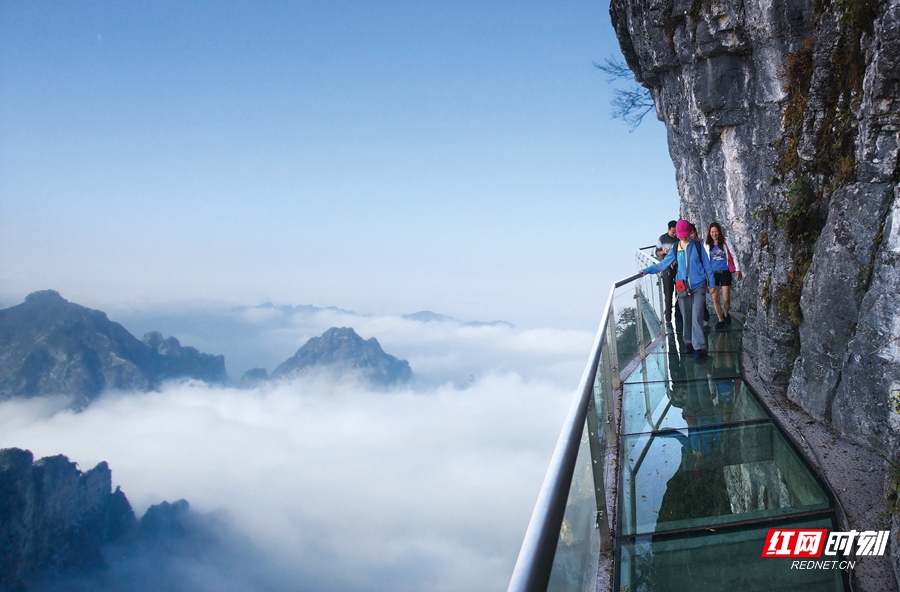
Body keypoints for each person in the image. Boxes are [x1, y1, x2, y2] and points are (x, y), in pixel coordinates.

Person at [641, 220, 717, 358]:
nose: (683, 238)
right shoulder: (676, 248)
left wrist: (712, 284)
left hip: (698, 286)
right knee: (686, 316)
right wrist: (646, 271)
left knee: (697, 316)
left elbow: (707, 267)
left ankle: (699, 347)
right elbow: (663, 264)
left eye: (685, 235)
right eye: (680, 236)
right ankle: (688, 342)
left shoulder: (698, 247)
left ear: (689, 232)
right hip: (683, 288)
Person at [704, 222, 742, 329]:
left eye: (716, 231)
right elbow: (704, 260)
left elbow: (733, 254)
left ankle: (726, 313)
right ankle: (720, 320)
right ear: (709, 233)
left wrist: (737, 269)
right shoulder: (707, 244)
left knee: (726, 299)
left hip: (725, 273)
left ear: (719, 232)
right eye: (712, 232)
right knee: (715, 298)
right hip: (713, 274)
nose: (714, 234)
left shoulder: (725, 241)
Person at [655, 220, 681, 324]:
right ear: (668, 230)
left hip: (678, 267)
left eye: (676, 232)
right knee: (668, 293)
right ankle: (668, 318)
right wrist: (664, 251)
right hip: (667, 269)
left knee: (680, 291)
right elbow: (657, 253)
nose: (674, 234)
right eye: (672, 232)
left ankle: (679, 315)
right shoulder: (662, 238)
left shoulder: (679, 238)